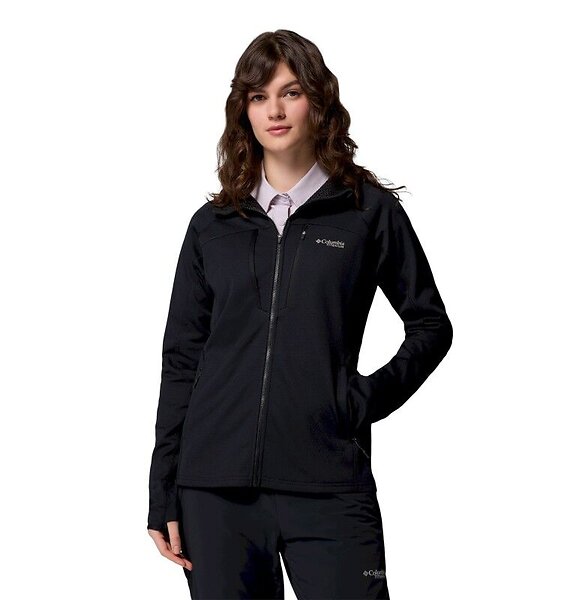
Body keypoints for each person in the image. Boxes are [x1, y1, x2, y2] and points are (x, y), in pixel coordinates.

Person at [147, 29, 453, 599]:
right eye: (258, 96)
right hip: (214, 491)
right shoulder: (213, 225)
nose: (275, 110)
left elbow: (431, 325)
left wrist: (361, 400)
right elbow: (182, 360)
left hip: (328, 482)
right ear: (243, 110)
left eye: (290, 92)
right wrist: (163, 486)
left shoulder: (367, 212)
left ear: (318, 100)